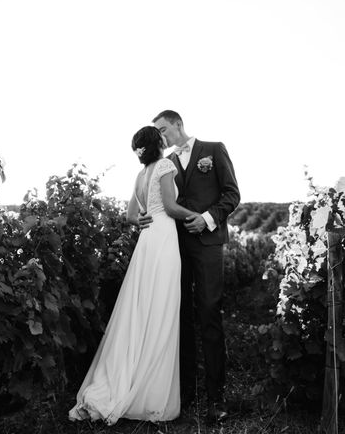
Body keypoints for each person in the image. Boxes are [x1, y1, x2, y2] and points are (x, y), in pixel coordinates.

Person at [68, 126, 197, 425]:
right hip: (163, 240)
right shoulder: (165, 166)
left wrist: (143, 218)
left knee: (141, 309)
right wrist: (197, 216)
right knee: (161, 310)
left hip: (147, 241)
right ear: (160, 143)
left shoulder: (140, 175)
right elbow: (169, 206)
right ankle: (148, 394)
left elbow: (130, 216)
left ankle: (127, 377)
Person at [147, 110, 240, 424]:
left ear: (178, 124)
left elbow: (232, 193)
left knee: (210, 313)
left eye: (164, 129)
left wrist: (208, 219)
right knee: (180, 315)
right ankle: (184, 392)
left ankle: (217, 399)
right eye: (156, 133)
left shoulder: (213, 150)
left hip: (209, 245)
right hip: (176, 247)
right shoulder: (166, 163)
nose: (161, 137)